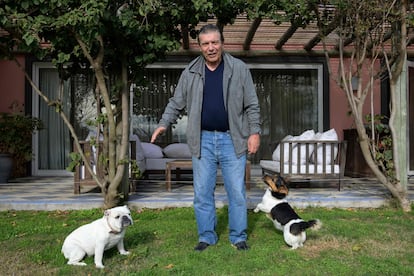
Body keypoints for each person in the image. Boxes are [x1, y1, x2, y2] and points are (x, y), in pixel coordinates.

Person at [151, 24, 261, 251]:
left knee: (237, 192)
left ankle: (238, 236)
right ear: (200, 46)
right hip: (202, 141)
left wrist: (254, 132)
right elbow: (176, 102)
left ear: (222, 43)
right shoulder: (190, 72)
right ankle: (206, 237)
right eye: (205, 44)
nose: (211, 48)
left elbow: (252, 104)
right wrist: (164, 123)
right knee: (202, 192)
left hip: (233, 139)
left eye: (214, 42)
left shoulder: (239, 69)